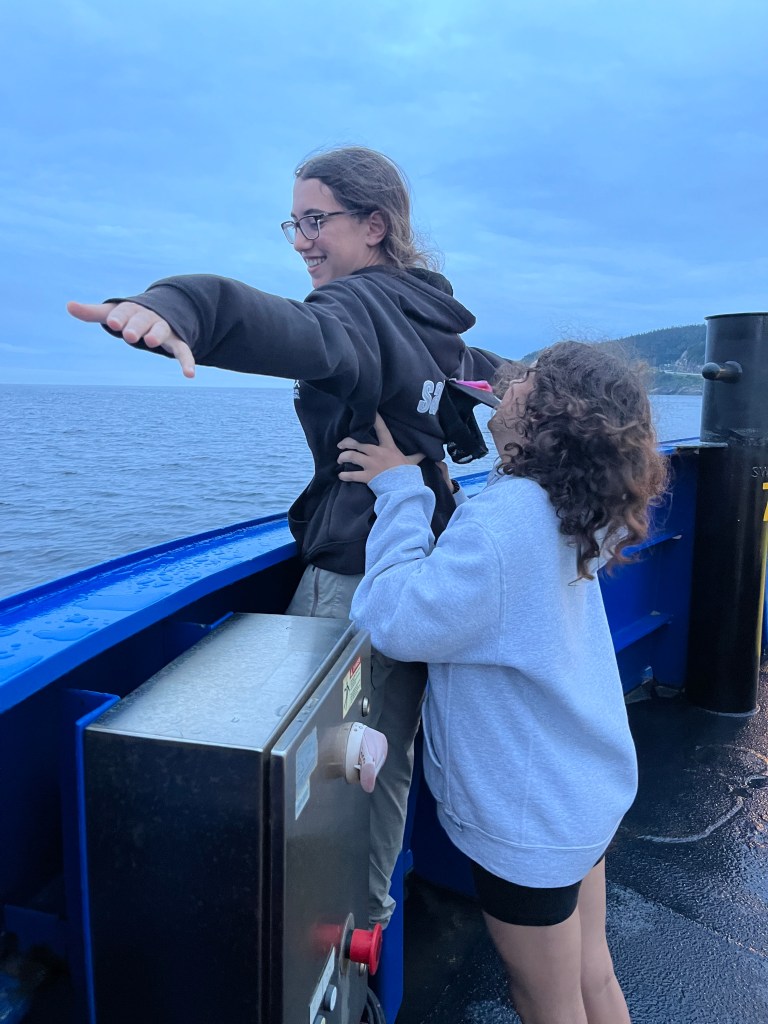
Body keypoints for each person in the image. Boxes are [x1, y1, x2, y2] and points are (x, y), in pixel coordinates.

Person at [66, 145, 505, 929]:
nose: (301, 241)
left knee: (324, 771)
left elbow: (294, 332)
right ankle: (370, 924)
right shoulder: (430, 318)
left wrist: (181, 307)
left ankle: (322, 943)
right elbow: (491, 378)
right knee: (386, 760)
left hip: (356, 579)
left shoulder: (359, 308)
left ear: (374, 226)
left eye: (315, 221)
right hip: (425, 561)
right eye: (292, 224)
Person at [337, 341, 668, 1024]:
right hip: (581, 793)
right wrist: (452, 496)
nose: (507, 382)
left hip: (531, 821)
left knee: (546, 1001)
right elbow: (505, 573)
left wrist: (400, 490)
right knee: (594, 974)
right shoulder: (573, 505)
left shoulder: (508, 520)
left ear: (550, 416)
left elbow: (393, 618)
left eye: (528, 380)